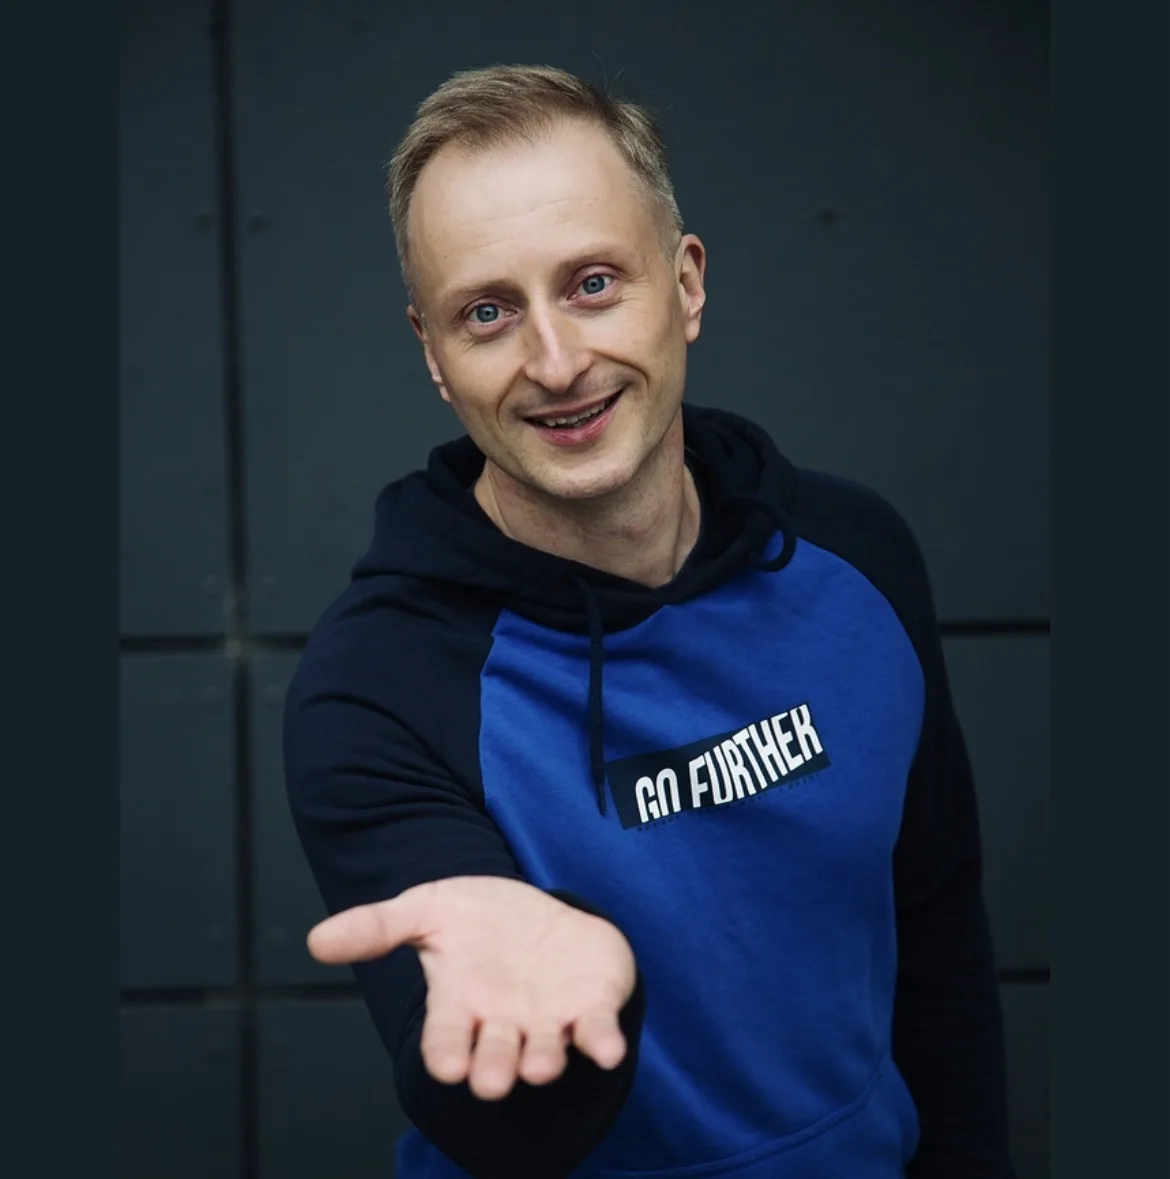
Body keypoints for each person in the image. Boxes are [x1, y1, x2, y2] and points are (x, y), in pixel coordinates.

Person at [284, 64, 1014, 1179]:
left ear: (685, 284)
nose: (556, 362)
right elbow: (496, 1130)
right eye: (488, 313)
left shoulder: (857, 555)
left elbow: (938, 935)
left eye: (591, 284)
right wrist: (567, 1013)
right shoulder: (376, 685)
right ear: (434, 355)